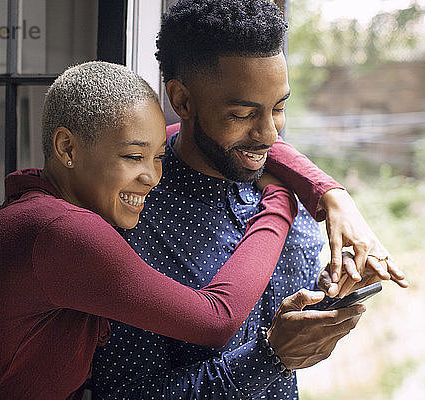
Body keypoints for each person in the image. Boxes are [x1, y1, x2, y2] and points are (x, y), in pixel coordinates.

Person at [0, 61, 317, 400]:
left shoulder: (37, 210)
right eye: (134, 157)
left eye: (158, 158)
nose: (152, 177)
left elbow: (190, 138)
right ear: (67, 148)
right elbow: (217, 319)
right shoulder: (61, 232)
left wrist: (324, 190)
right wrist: (279, 201)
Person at [89, 1, 407, 399]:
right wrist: (268, 356)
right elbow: (123, 394)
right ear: (182, 101)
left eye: (279, 108)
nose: (271, 135)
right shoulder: (130, 221)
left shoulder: (289, 194)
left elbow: (294, 310)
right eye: (243, 114)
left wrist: (333, 289)